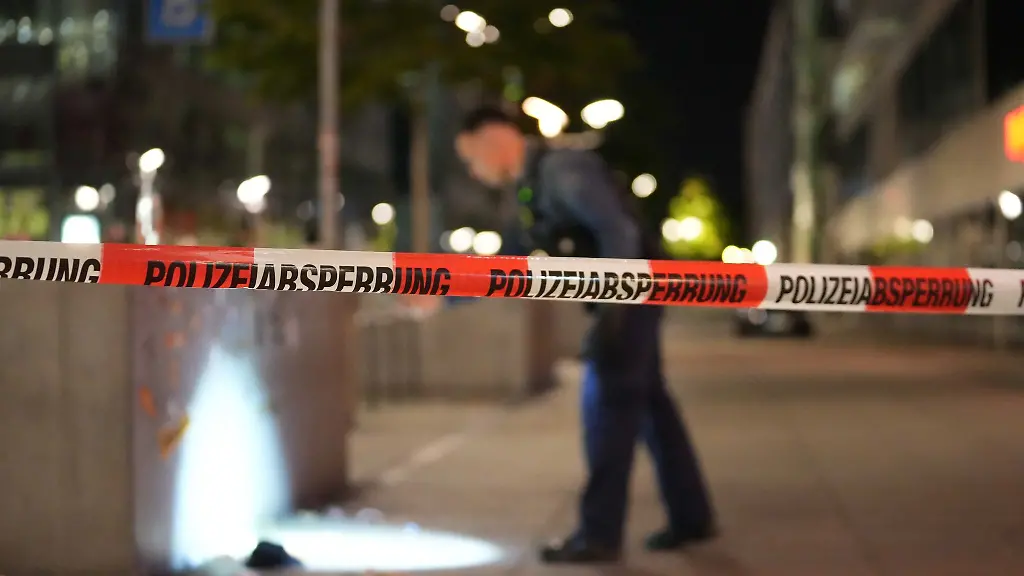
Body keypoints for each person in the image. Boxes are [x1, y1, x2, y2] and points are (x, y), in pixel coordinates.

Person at [454, 105, 716, 564]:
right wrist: (443, 294)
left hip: (629, 298)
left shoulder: (562, 170)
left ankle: (598, 533)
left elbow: (617, 230)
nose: (474, 172)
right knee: (651, 406)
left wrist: (616, 309)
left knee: (607, 410)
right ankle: (691, 516)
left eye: (471, 157)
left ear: (495, 137)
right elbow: (508, 263)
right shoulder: (530, 188)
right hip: (632, 297)